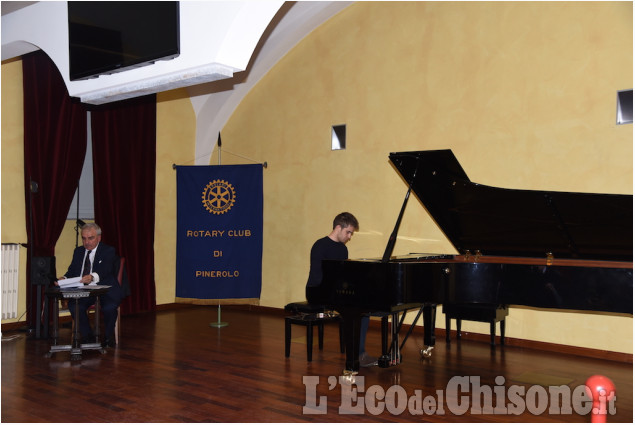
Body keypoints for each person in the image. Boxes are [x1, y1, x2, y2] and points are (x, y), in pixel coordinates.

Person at [305, 212, 377, 367]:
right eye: (348, 232)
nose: (350, 236)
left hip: (334, 291)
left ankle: (359, 353)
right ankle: (357, 356)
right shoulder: (320, 246)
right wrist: (338, 291)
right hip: (316, 290)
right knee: (356, 309)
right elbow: (318, 276)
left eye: (351, 233)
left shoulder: (343, 250)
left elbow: (342, 276)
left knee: (363, 309)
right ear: (338, 228)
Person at [57, 223, 123, 348]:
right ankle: (88, 337)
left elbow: (106, 270)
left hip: (105, 289)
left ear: (99, 237)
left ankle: (109, 337)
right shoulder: (78, 251)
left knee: (109, 308)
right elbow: (72, 271)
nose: (86, 242)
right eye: (84, 238)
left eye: (90, 238)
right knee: (74, 306)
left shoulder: (108, 250)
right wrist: (64, 278)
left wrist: (92, 277)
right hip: (85, 290)